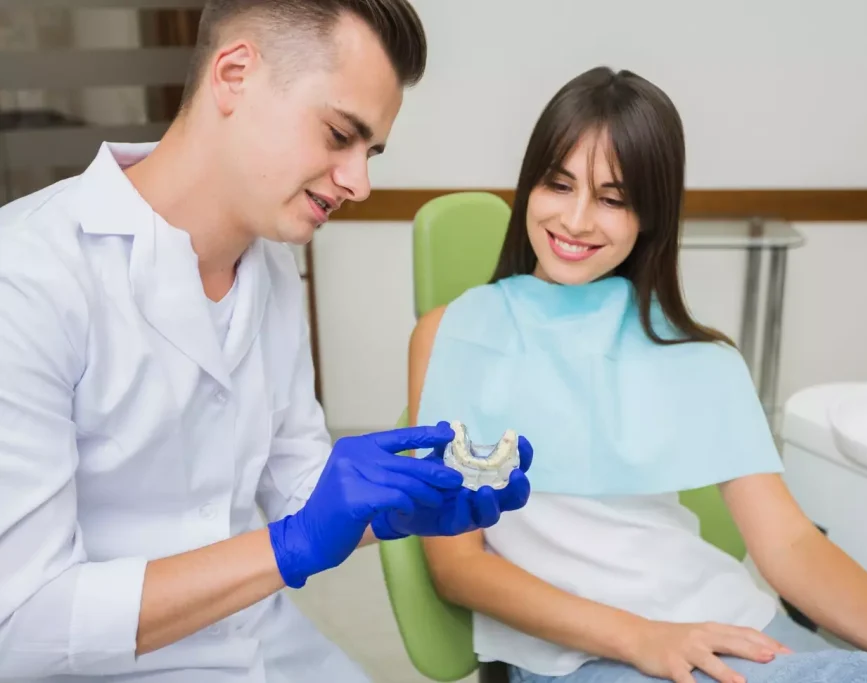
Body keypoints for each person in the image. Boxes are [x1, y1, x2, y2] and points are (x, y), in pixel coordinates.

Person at [0, 1, 532, 681]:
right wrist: (288, 547)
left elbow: (299, 486)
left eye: (369, 153)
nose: (360, 183)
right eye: (340, 134)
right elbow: (21, 624)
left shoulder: (273, 265)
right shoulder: (27, 276)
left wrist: (399, 502)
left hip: (261, 642)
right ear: (234, 74)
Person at [406, 67, 867, 683]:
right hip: (584, 653)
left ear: (649, 216)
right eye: (558, 184)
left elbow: (788, 545)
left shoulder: (695, 353)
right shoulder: (453, 334)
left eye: (612, 198)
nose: (576, 221)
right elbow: (457, 566)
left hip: (726, 619)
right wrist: (643, 639)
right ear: (530, 188)